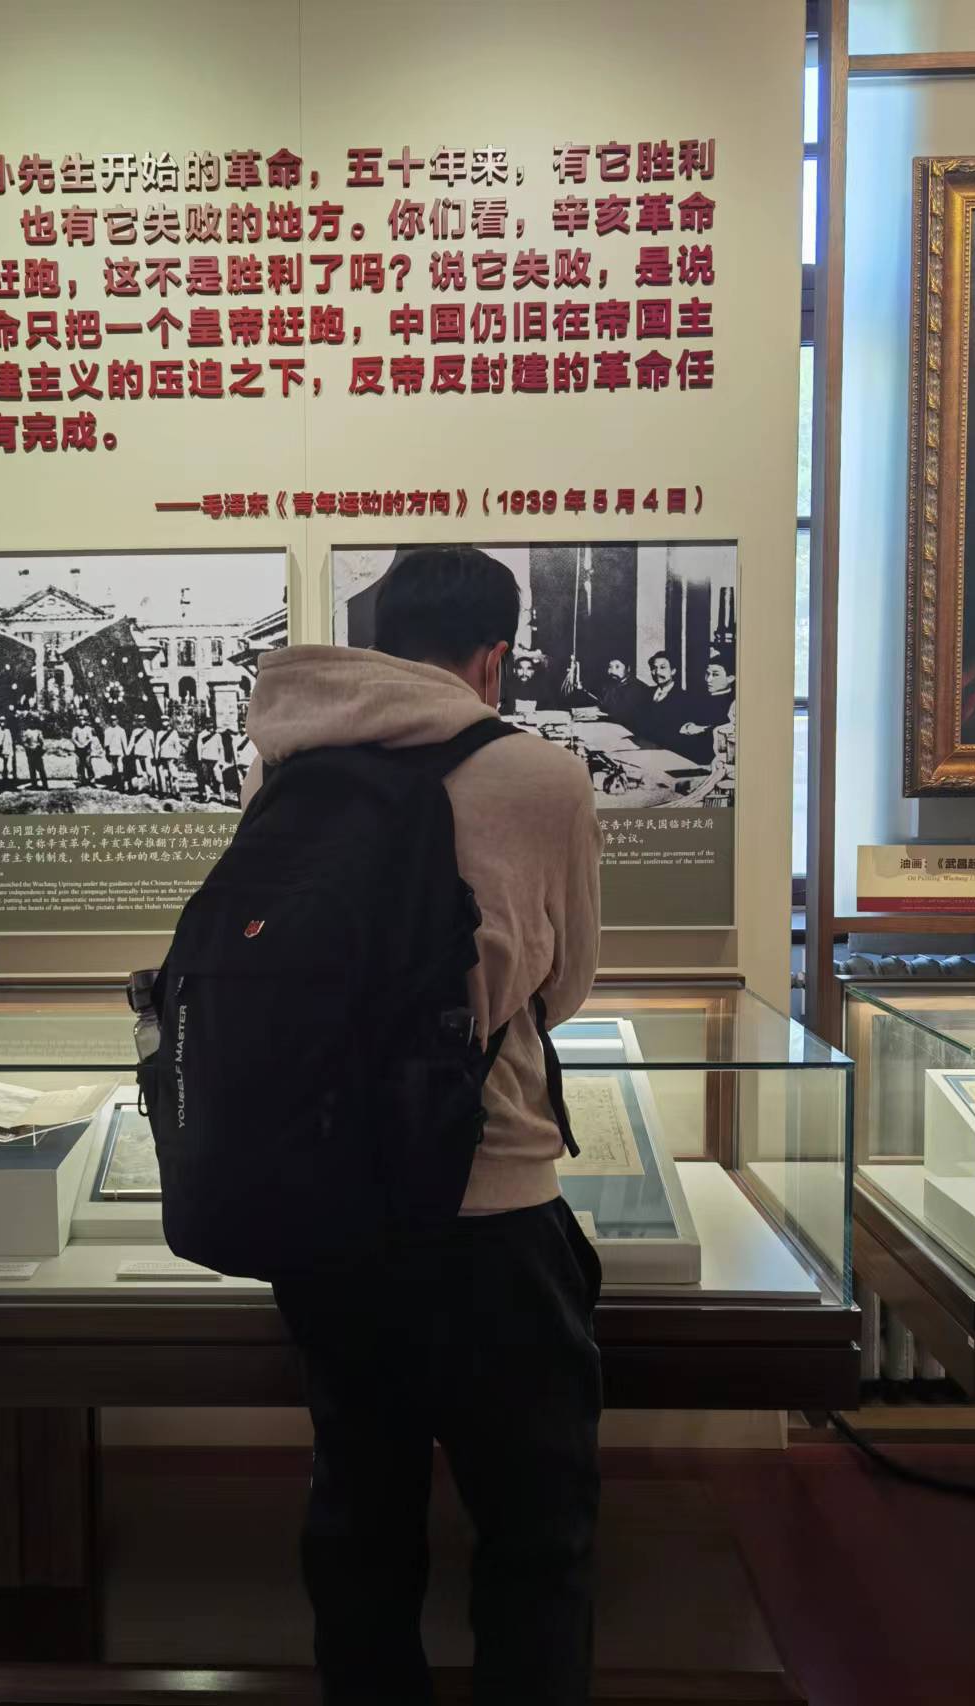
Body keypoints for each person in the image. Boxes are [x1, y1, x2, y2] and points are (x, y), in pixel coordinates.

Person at [242, 546, 603, 1706]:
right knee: (535, 1527)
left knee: (358, 1514)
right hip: (492, 1204)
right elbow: (565, 986)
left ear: (380, 640)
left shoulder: (287, 766)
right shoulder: (541, 775)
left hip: (331, 1206)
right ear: (492, 656)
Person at [638, 651, 691, 749]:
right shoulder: (645, 693)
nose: (657, 672)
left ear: (673, 671)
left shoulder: (683, 698)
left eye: (662, 667)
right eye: (654, 668)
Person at [598, 657, 650, 731]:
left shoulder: (638, 688)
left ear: (628, 669)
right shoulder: (608, 686)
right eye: (610, 667)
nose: (612, 671)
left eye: (617, 667)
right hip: (611, 726)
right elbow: (604, 706)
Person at [102, 718, 131, 791]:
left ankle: (121, 785)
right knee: (114, 769)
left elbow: (124, 742)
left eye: (115, 720)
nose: (113, 722)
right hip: (112, 753)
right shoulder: (107, 731)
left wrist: (126, 753)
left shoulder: (121, 730)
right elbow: (106, 744)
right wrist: (106, 753)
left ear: (117, 721)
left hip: (119, 752)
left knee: (120, 768)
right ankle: (115, 784)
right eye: (112, 720)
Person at [71, 713, 97, 787]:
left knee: (88, 763)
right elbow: (73, 738)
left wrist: (85, 744)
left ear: (85, 721)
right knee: (79, 764)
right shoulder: (75, 729)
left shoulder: (88, 728)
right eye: (80, 720)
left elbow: (90, 738)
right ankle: (81, 780)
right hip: (78, 750)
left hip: (86, 750)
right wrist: (78, 744)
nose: (81, 721)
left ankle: (91, 779)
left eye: (83, 720)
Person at [21, 720, 48, 790]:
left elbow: (42, 741)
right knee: (32, 769)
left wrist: (39, 745)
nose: (32, 723)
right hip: (30, 753)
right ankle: (34, 785)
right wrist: (29, 747)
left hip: (37, 753)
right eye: (31, 721)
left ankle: (45, 785)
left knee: (41, 769)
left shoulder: (38, 731)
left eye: (34, 721)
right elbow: (24, 742)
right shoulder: (26, 732)